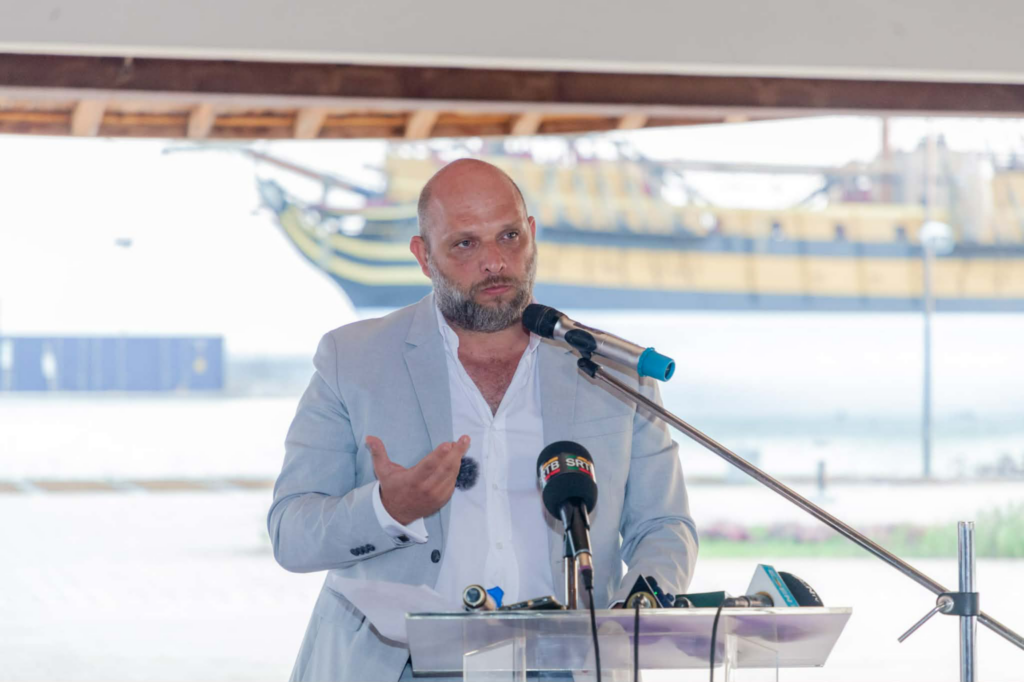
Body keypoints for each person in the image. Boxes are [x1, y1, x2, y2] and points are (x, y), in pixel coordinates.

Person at [268, 158, 698, 682]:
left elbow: (664, 527)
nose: (495, 262)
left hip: (568, 668)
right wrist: (388, 509)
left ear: (532, 234)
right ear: (423, 256)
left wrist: (637, 611)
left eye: (509, 236)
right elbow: (291, 533)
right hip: (396, 667)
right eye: (465, 244)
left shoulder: (611, 369)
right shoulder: (352, 359)